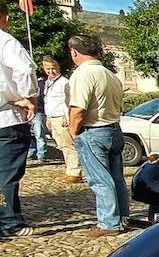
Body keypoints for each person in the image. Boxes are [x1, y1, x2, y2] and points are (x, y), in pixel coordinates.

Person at [67, 35, 131, 236]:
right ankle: (122, 217)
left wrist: (73, 131)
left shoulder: (83, 74)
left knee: (100, 179)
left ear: (74, 52)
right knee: (116, 178)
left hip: (93, 130)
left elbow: (79, 108)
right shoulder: (111, 75)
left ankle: (108, 223)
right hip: (113, 127)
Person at [0, 0, 36, 239]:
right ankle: (10, 221)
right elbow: (24, 69)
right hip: (6, 119)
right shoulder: (6, 41)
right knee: (8, 174)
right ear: (5, 17)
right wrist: (25, 96)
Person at [41, 55, 81, 181]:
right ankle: (69, 169)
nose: (50, 71)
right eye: (47, 69)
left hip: (62, 117)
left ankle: (75, 172)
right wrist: (48, 118)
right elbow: (48, 101)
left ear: (58, 67)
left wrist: (67, 116)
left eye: (53, 68)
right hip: (52, 118)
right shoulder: (47, 83)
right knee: (62, 145)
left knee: (68, 145)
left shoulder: (64, 82)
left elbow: (69, 101)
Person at [30, 71, 48, 161]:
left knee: (39, 134)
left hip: (39, 111)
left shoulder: (41, 84)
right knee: (34, 133)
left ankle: (41, 154)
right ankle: (33, 152)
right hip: (35, 111)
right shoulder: (40, 83)